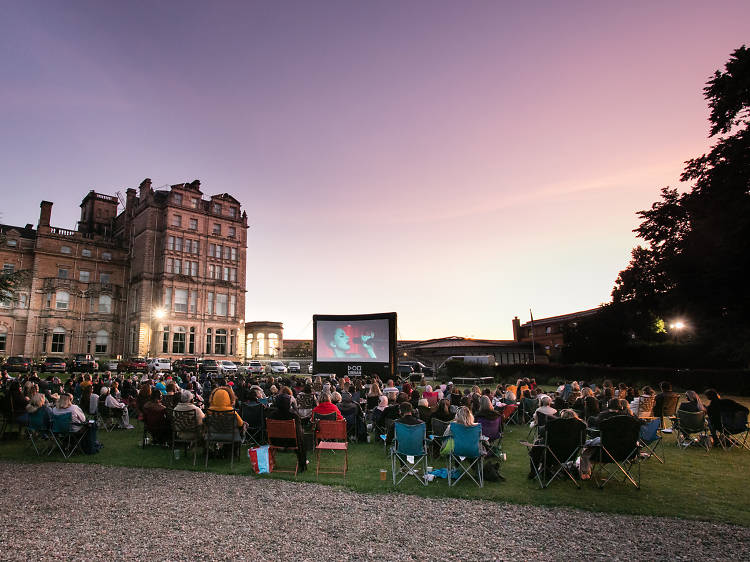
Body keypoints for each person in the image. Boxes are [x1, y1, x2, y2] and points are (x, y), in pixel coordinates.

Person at [266, 394, 306, 472]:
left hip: (275, 441)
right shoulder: (293, 416)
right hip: (292, 442)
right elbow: (298, 433)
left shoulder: (271, 416)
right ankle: (302, 463)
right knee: (302, 438)